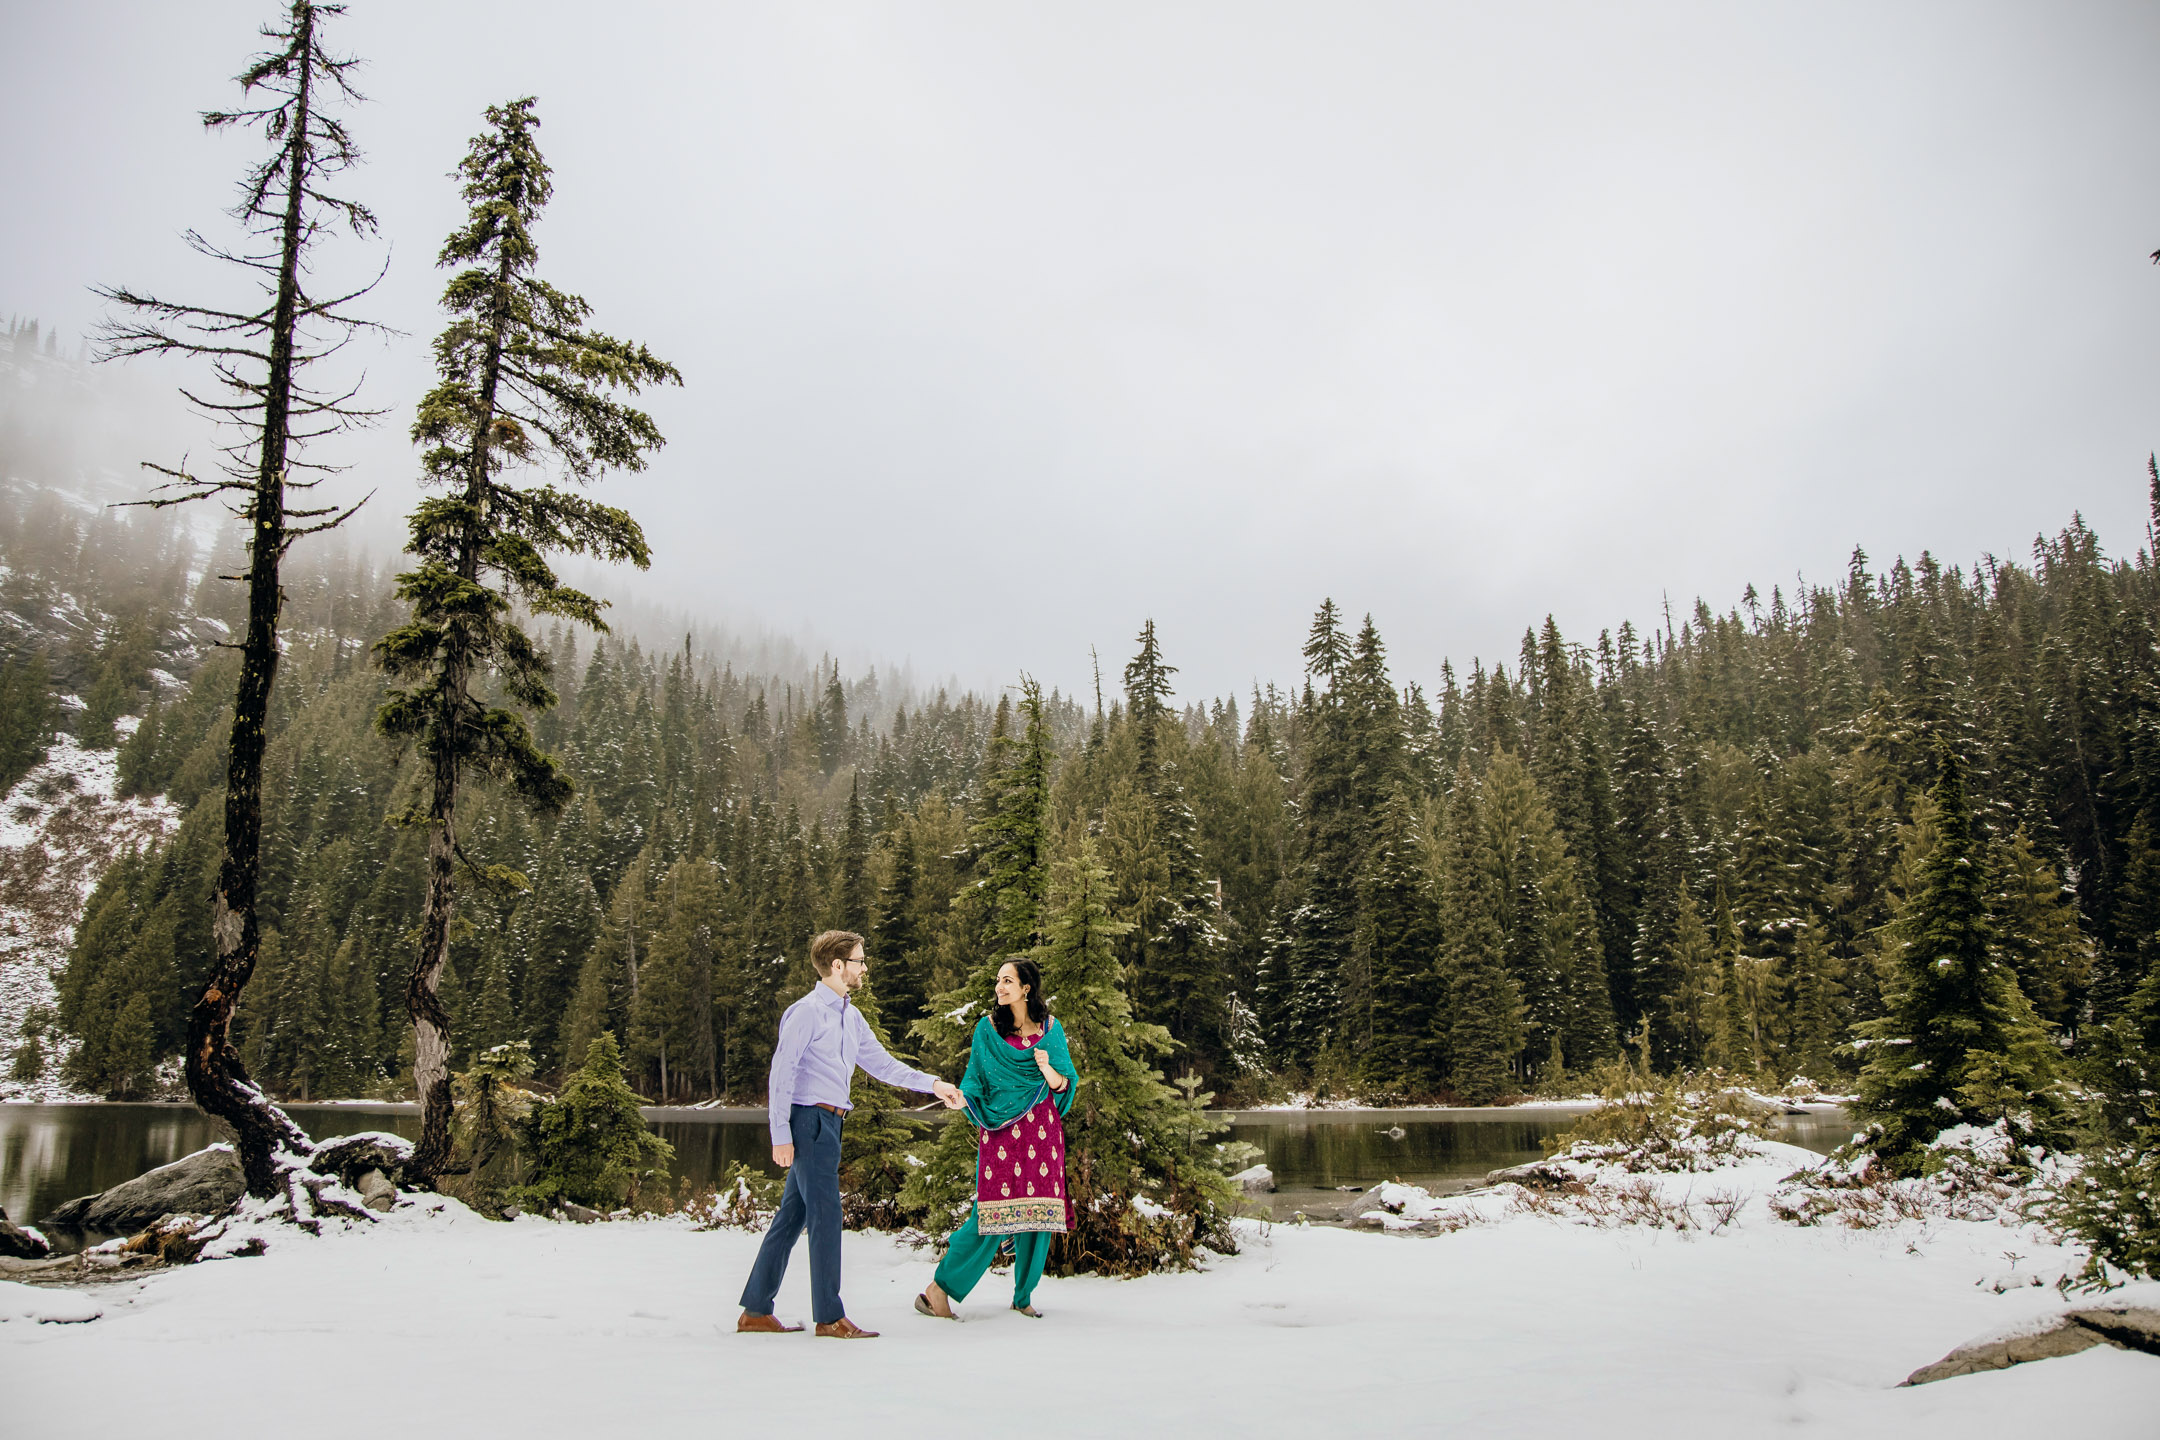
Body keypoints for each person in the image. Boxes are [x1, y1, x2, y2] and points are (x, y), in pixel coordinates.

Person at [738, 930, 964, 1339]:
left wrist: (933, 1084)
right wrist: (780, 1136)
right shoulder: (806, 1012)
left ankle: (755, 1310)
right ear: (838, 966)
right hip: (808, 1121)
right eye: (859, 961)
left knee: (793, 1217)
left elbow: (883, 1064)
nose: (864, 968)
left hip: (831, 1122)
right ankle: (829, 1316)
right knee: (826, 1216)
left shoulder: (849, 1015)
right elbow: (781, 1074)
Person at [917, 956, 1078, 1321]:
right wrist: (963, 1099)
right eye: (998, 981)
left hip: (1043, 1135)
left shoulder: (1051, 1030)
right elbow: (975, 1079)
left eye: (1008, 981)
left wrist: (1047, 1068)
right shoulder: (987, 1030)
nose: (1000, 987)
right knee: (990, 1215)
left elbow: (1065, 1086)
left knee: (1039, 1216)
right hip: (1002, 1134)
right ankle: (938, 1290)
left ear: (1026, 988)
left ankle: (1023, 1296)